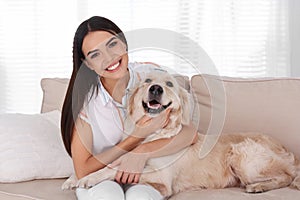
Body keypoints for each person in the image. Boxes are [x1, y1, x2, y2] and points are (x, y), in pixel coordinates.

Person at [61, 16, 198, 200]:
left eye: (112, 44)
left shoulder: (151, 76)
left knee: (140, 197)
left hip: (145, 173)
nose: (109, 57)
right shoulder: (86, 103)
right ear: (88, 64)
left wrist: (141, 153)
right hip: (99, 176)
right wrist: (136, 138)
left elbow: (189, 133)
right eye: (95, 54)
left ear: (124, 44)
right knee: (108, 195)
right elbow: (83, 169)